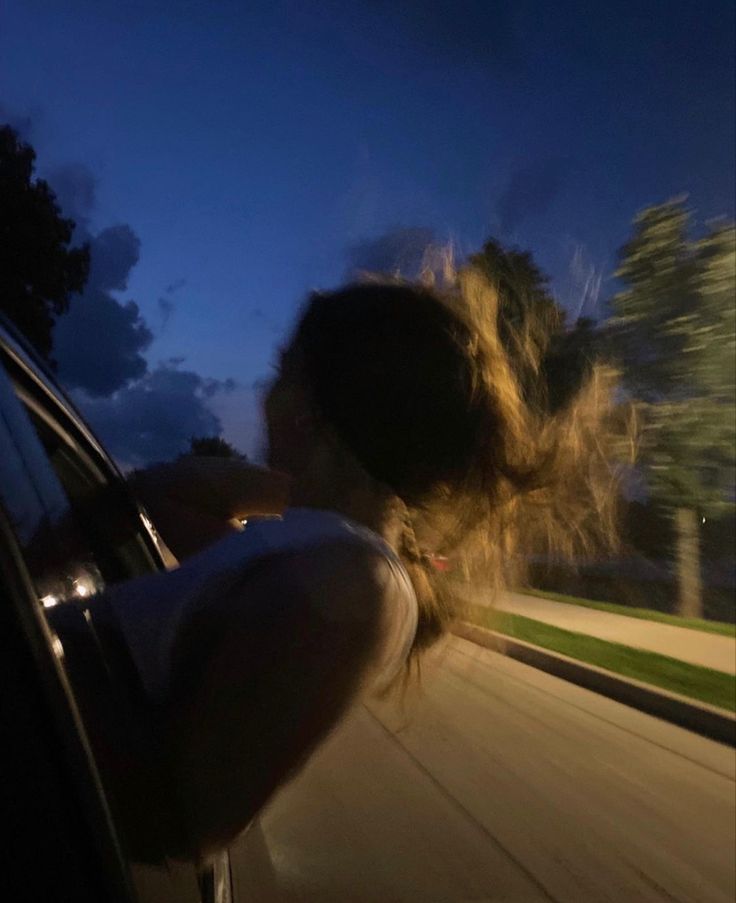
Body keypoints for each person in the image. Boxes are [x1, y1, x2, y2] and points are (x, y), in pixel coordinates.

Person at [89, 272, 621, 863]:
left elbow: (178, 823)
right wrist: (317, 482)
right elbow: (166, 501)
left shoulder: (347, 582)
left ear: (313, 409)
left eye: (282, 374)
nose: (265, 396)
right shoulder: (312, 548)